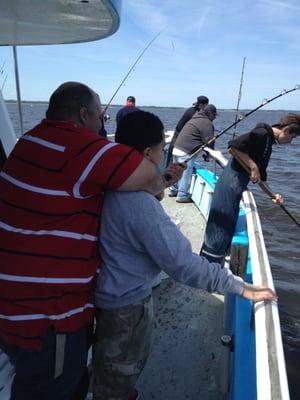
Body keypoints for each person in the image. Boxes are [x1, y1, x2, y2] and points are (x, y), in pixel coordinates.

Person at [0, 82, 181, 400]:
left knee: (41, 379)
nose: (103, 122)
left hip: (11, 299)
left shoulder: (29, 141)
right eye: (100, 115)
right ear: (84, 115)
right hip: (47, 315)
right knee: (54, 389)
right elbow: (150, 177)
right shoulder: (81, 146)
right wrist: (161, 179)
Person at [92, 110, 277, 400]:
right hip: (127, 310)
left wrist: (163, 181)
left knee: (112, 371)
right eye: (160, 151)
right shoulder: (142, 207)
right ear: (147, 153)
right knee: (118, 380)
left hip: (105, 298)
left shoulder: (107, 186)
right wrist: (241, 287)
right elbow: (184, 266)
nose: (162, 155)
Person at [201, 114, 300, 263]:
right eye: (292, 138)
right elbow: (233, 146)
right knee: (219, 227)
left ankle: (211, 266)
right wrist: (253, 167)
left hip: (236, 189)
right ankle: (207, 267)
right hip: (229, 185)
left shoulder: (268, 144)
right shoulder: (262, 134)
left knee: (227, 227)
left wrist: (273, 196)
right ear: (286, 130)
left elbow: (260, 177)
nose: (290, 142)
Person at [169, 104, 217, 202]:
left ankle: (173, 189)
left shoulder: (194, 118)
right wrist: (209, 153)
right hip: (186, 151)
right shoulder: (207, 123)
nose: (215, 117)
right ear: (210, 114)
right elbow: (209, 141)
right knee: (186, 172)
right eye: (214, 115)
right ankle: (182, 195)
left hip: (176, 148)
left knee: (176, 171)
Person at [166, 95, 209, 165]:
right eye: (206, 106)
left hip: (178, 135)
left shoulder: (191, 110)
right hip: (179, 137)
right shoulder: (194, 114)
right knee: (172, 163)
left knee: (172, 162)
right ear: (202, 105)